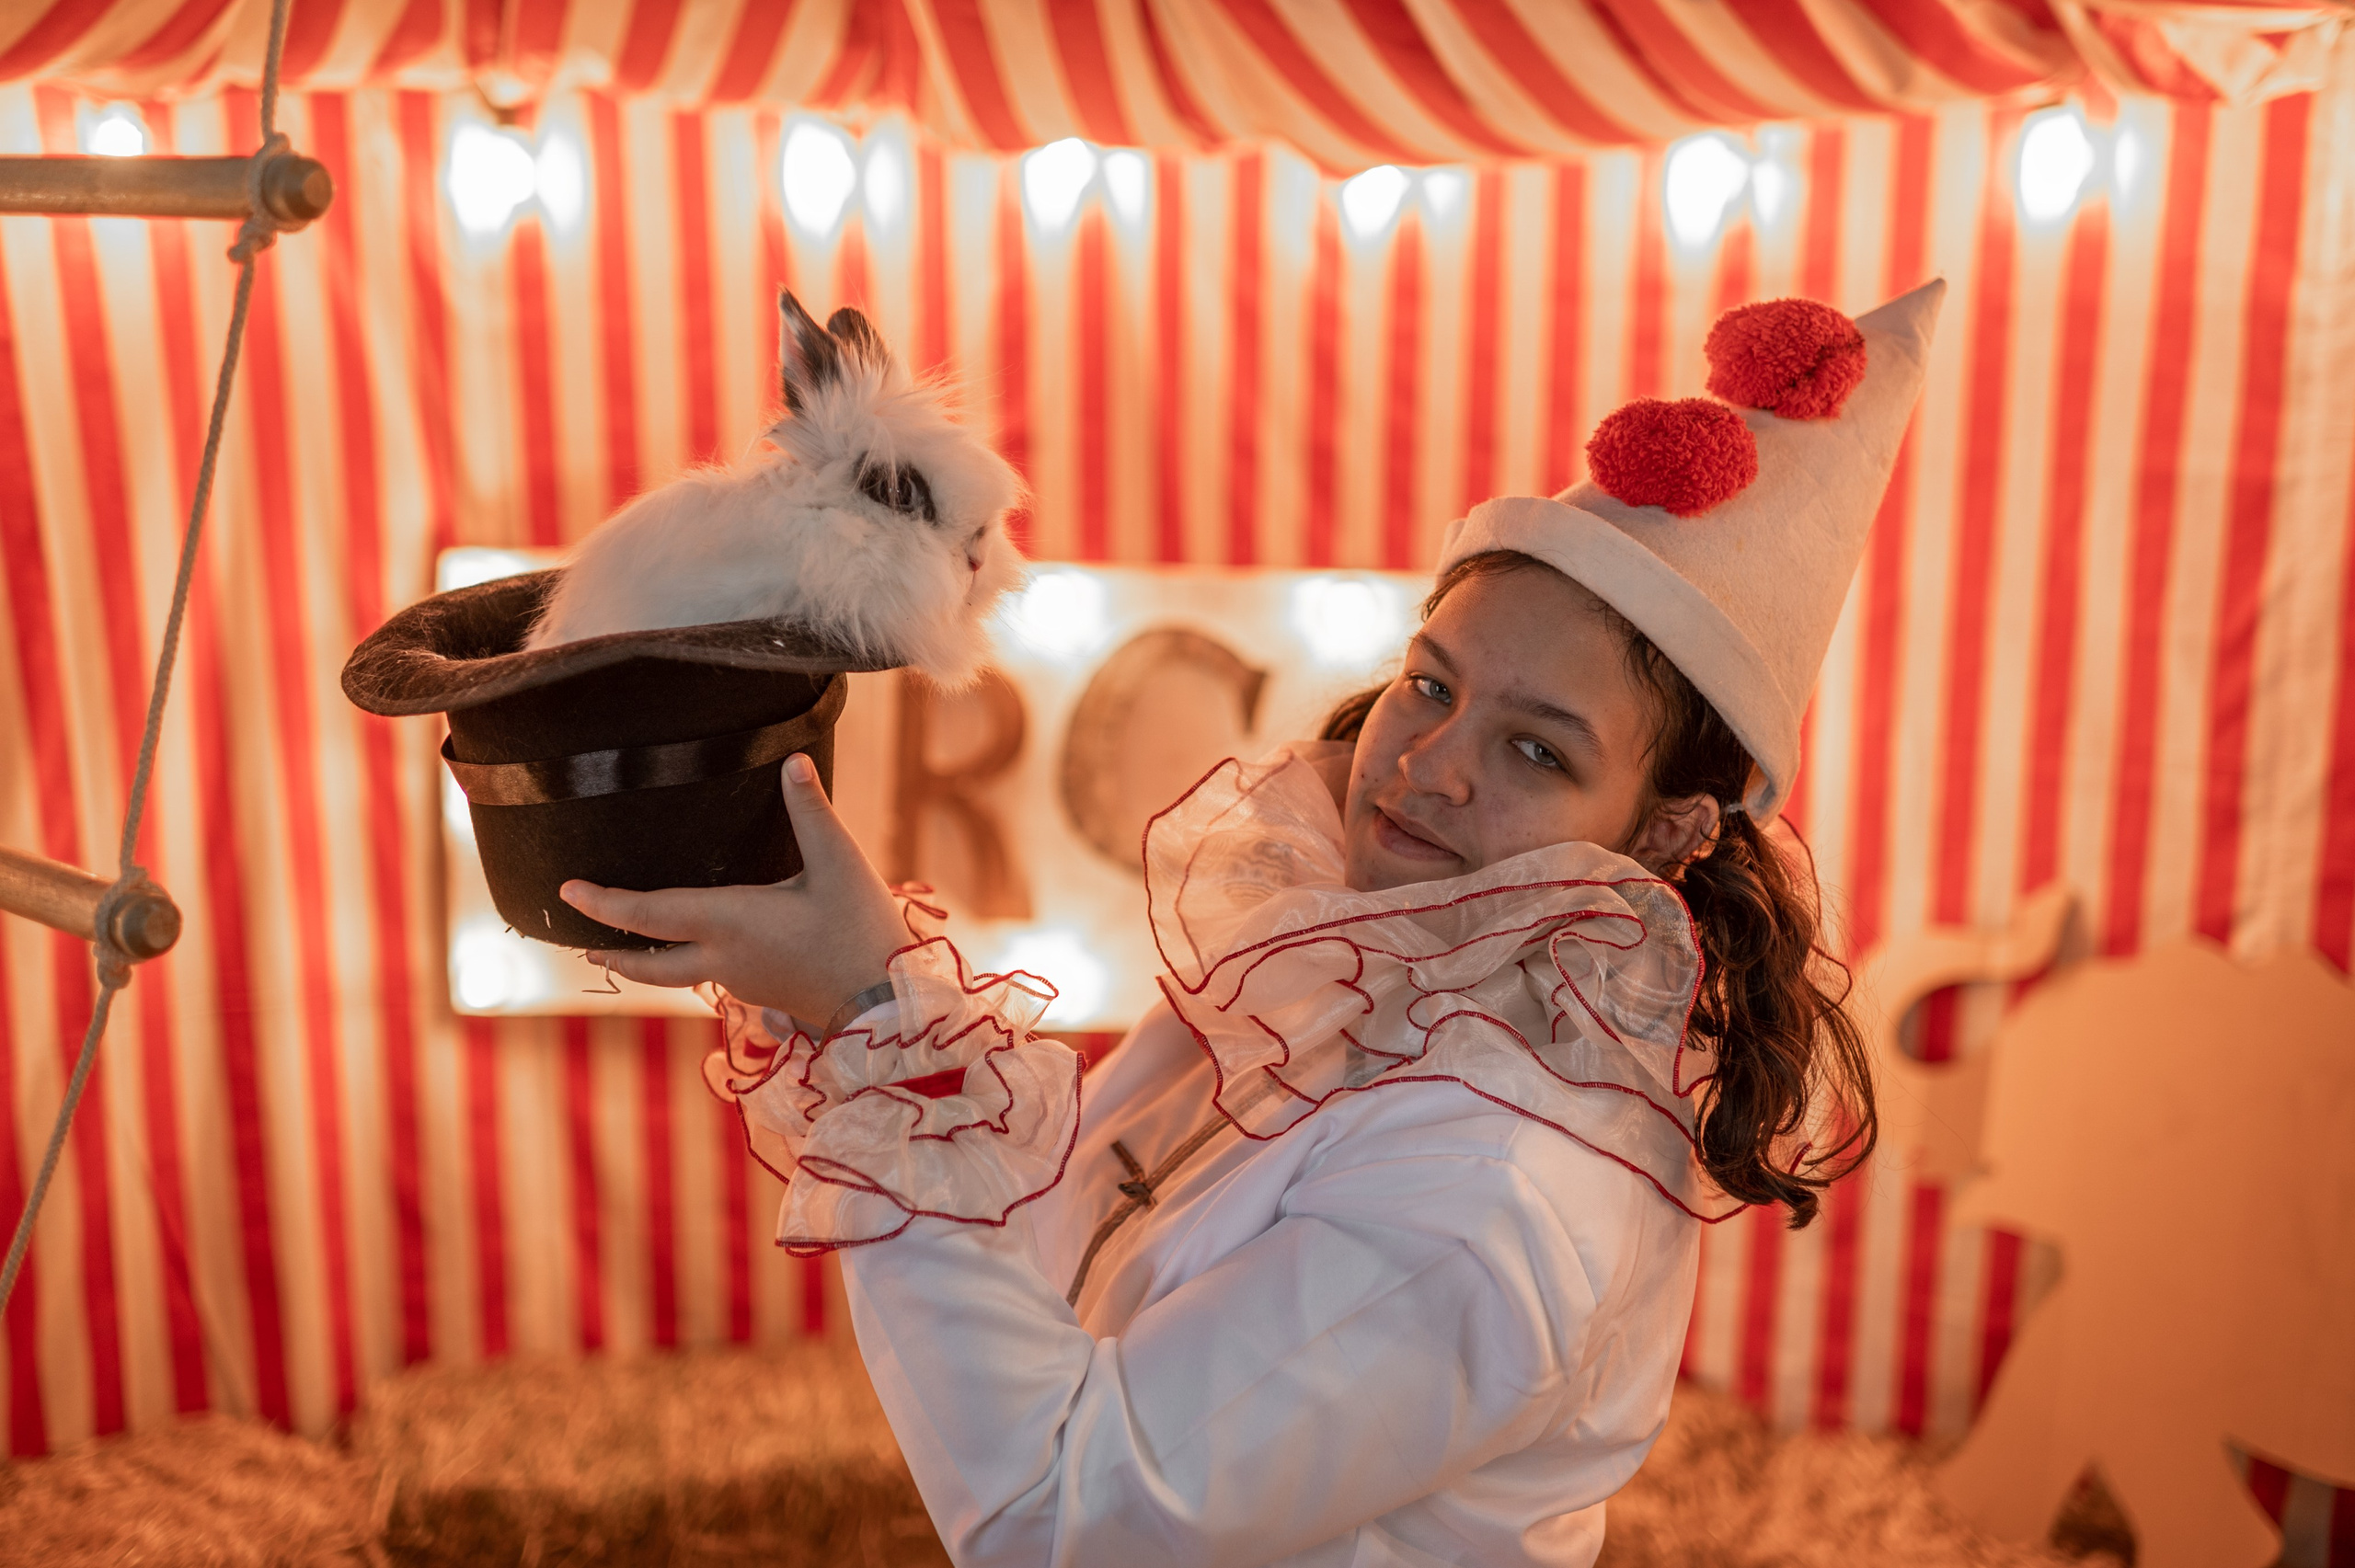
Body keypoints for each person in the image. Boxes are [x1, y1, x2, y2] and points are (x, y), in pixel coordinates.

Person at [559, 280, 1946, 1568]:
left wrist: (875, 1013)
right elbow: (1046, 1251)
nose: (1433, 761)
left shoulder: (1501, 1195)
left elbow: (1066, 1513)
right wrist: (831, 983)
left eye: (1539, 751)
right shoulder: (1334, 962)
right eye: (1432, 684)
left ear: (1664, 830)